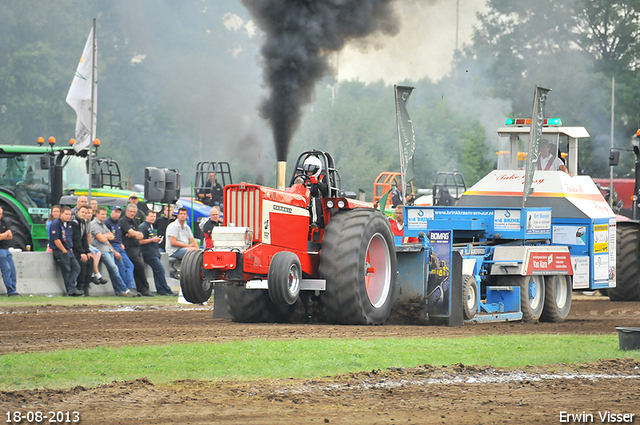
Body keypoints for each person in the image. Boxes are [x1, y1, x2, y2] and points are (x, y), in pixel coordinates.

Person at [90, 207, 136, 297]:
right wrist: (105, 236)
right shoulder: (94, 224)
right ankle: (124, 289)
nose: (104, 216)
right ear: (97, 214)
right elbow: (102, 239)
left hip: (108, 248)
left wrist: (105, 236)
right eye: (102, 214)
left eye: (105, 214)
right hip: (101, 249)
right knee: (114, 268)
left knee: (115, 270)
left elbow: (112, 236)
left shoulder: (103, 224)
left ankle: (119, 291)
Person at [120, 204, 154, 296]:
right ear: (126, 211)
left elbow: (141, 235)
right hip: (129, 247)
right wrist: (133, 234)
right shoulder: (123, 221)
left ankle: (143, 288)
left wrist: (134, 234)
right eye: (130, 211)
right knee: (139, 266)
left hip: (136, 247)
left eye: (134, 212)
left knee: (140, 268)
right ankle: (143, 289)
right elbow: (132, 233)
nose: (132, 213)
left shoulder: (134, 221)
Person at [139, 210, 175, 295]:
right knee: (160, 270)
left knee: (158, 271)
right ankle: (165, 289)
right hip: (148, 253)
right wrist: (152, 240)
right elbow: (140, 241)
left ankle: (161, 289)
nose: (153, 218)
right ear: (146, 217)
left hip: (154, 251)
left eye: (154, 216)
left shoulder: (150, 226)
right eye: (151, 216)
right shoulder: (143, 227)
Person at [49, 206, 82, 296]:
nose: (68, 216)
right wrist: (64, 250)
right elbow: (56, 239)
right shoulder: (56, 224)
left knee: (76, 267)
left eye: (69, 214)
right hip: (60, 251)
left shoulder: (69, 224)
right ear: (61, 214)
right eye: (66, 214)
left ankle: (72, 287)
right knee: (67, 270)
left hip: (68, 249)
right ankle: (70, 290)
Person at [105, 206, 138, 295]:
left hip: (119, 245)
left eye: (119, 212)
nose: (117, 214)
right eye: (115, 212)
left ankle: (131, 286)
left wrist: (120, 243)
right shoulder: (107, 223)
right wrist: (114, 251)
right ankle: (124, 289)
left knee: (130, 265)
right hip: (112, 246)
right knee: (121, 267)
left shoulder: (119, 222)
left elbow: (119, 236)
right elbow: (106, 239)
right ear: (111, 212)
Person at [69, 205, 98, 296]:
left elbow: (84, 239)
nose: (84, 214)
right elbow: (76, 240)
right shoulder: (74, 223)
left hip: (81, 248)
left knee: (90, 260)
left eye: (86, 213)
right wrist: (82, 253)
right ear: (78, 212)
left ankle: (86, 285)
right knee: (83, 262)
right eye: (82, 212)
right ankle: (80, 286)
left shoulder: (84, 223)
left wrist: (87, 252)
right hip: (74, 249)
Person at [302, 156, 328, 228]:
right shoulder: (303, 179)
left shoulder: (324, 178)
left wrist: (317, 183)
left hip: (321, 203)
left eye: (311, 171)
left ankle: (315, 223)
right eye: (308, 171)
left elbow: (327, 191)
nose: (309, 173)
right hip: (305, 201)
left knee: (313, 200)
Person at [0, 206, 20, 296]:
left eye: (1, 213)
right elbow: (4, 236)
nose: (0, 215)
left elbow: (10, 236)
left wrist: (2, 236)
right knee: (6, 269)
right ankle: (10, 291)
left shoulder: (3, 221)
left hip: (6, 248)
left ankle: (13, 289)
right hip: (0, 250)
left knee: (12, 270)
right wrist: (4, 235)